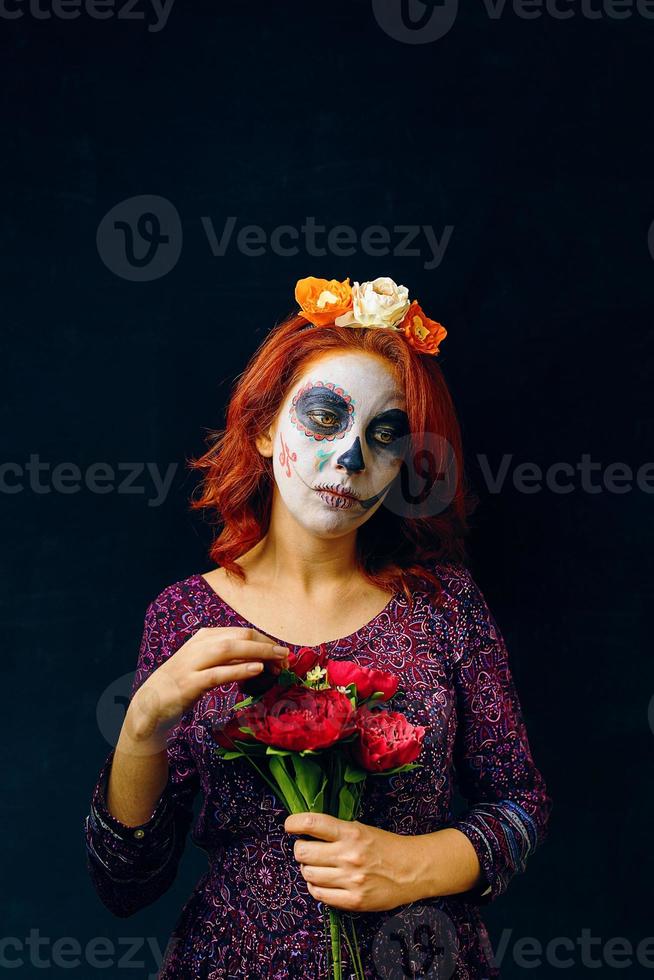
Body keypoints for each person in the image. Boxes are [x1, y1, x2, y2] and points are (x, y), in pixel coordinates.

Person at [83, 276, 553, 979]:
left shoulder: (445, 607)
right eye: (326, 418)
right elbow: (126, 884)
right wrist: (142, 723)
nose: (352, 459)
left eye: (383, 435)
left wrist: (416, 864)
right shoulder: (183, 616)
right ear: (267, 425)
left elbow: (522, 801)